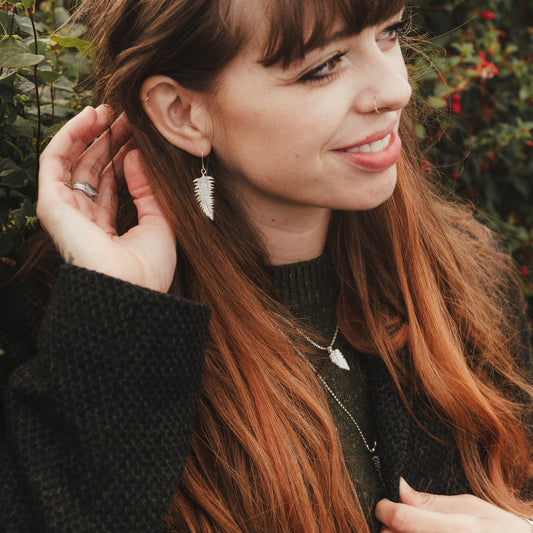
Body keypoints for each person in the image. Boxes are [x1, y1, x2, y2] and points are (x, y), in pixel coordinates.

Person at [0, 0, 531, 531]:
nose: (396, 89)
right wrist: (119, 322)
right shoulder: (64, 334)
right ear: (182, 112)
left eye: (389, 32)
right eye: (323, 66)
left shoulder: (468, 279)